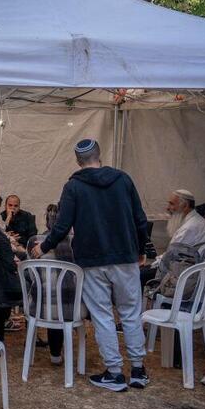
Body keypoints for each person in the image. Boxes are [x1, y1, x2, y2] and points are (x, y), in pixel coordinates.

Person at [30, 138, 150, 392]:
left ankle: (115, 373)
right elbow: (140, 218)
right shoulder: (123, 179)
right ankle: (138, 370)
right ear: (100, 156)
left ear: (77, 161)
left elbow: (61, 226)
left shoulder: (73, 186)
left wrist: (43, 247)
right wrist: (142, 249)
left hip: (92, 259)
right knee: (130, 312)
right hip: (125, 255)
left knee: (103, 315)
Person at [25, 203, 76, 365]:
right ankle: (57, 354)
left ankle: (53, 354)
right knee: (62, 296)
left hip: (38, 307)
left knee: (48, 295)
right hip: (72, 309)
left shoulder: (34, 241)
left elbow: (28, 274)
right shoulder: (76, 243)